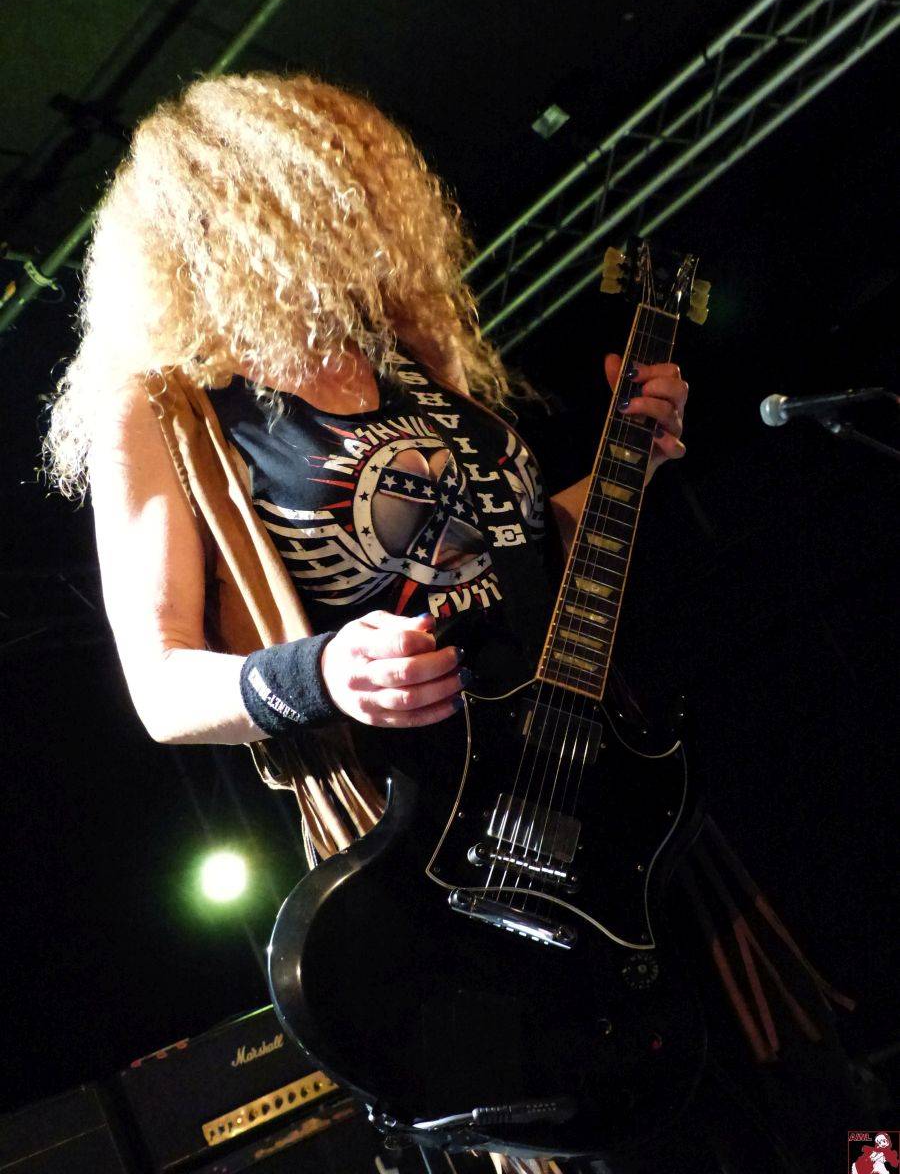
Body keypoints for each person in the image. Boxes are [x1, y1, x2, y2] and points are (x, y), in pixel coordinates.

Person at [45, 71, 865, 1174]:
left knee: (776, 1102)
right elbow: (160, 685)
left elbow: (516, 555)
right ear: (234, 214)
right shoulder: (167, 407)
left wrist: (631, 459)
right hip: (442, 846)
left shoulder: (408, 359)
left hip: (597, 792)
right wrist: (324, 671)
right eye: (320, 187)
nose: (354, 210)